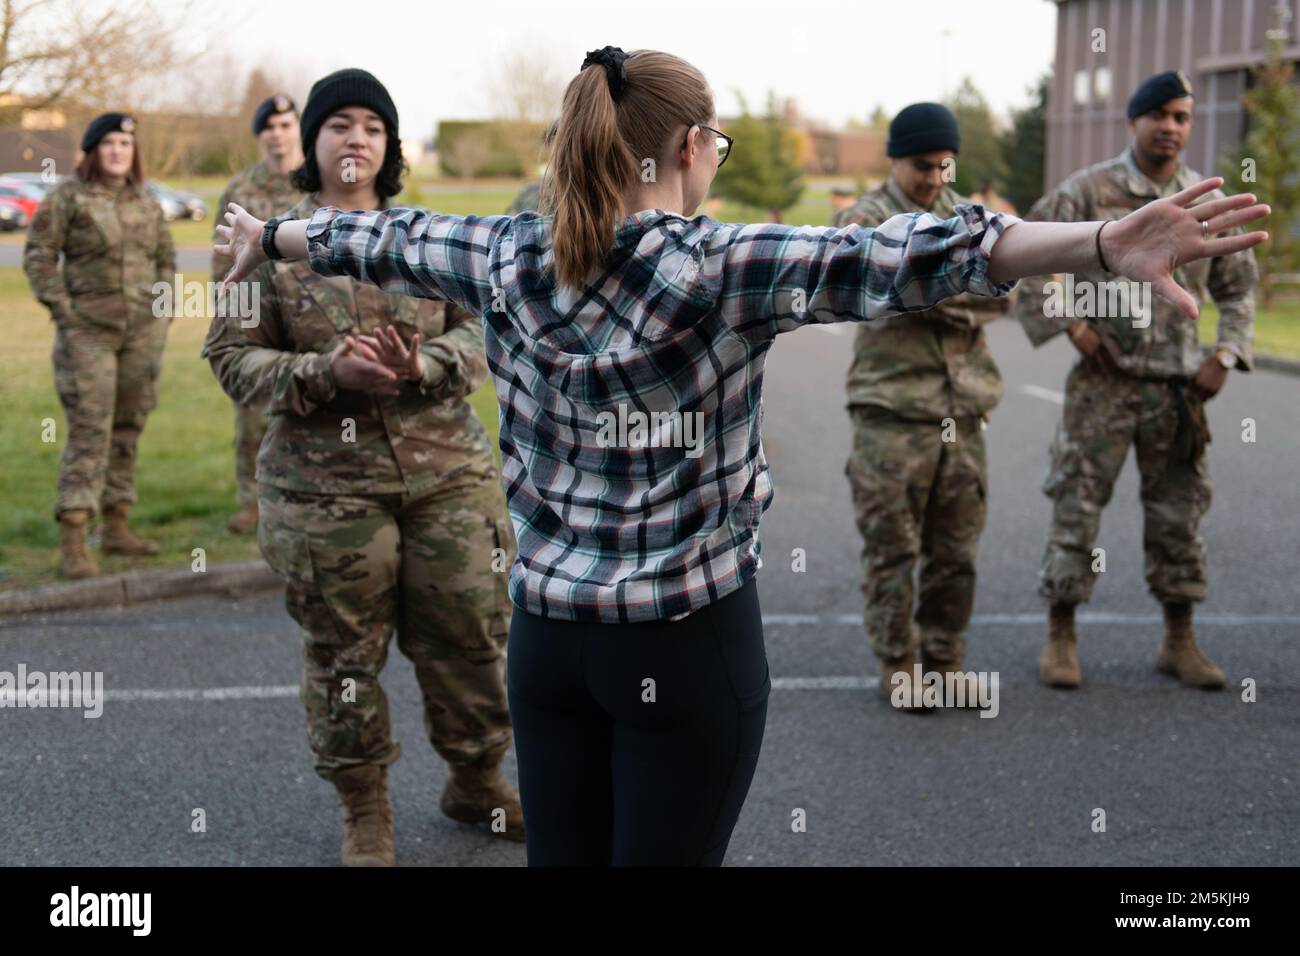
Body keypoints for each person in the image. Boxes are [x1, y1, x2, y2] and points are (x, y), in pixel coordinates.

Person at [216, 48, 1268, 866]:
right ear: (684, 149)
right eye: (711, 143)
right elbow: (903, 254)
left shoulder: (502, 251)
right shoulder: (722, 264)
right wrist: (1095, 242)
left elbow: (374, 238)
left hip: (544, 646)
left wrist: (266, 240)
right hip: (682, 645)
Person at [202, 68, 521, 866]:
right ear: (311, 143)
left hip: (446, 474)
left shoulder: (429, 236)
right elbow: (230, 356)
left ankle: (477, 781)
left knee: (473, 637)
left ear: (391, 145)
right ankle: (365, 809)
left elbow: (481, 335)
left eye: (373, 127)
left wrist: (423, 369)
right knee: (343, 655)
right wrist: (321, 375)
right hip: (324, 493)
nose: (357, 138)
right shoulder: (267, 245)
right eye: (339, 123)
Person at [1014, 70, 1259, 691]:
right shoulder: (1087, 192)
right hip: (1104, 386)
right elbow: (1027, 261)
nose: (1172, 128)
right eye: (1161, 116)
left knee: (1180, 514)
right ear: (1135, 121)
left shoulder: (1202, 201)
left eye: (1183, 117)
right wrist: (1073, 326)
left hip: (1178, 392)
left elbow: (1240, 289)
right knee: (1077, 506)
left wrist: (1226, 354)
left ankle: (1179, 638)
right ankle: (1061, 633)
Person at [834, 103, 1009, 706]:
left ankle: (944, 657)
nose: (935, 178)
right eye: (921, 166)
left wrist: (936, 289)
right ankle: (898, 661)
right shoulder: (865, 219)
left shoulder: (966, 218)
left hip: (963, 412)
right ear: (893, 159)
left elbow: (1005, 296)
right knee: (893, 546)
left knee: (956, 547)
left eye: (943, 165)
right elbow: (883, 289)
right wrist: (958, 284)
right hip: (892, 414)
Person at [24, 113, 175, 579]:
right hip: (88, 334)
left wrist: (162, 312)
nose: (117, 151)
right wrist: (64, 310)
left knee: (129, 427)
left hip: (140, 336)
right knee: (91, 429)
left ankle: (116, 526)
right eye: (107, 143)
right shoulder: (67, 197)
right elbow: (39, 255)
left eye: (124, 144)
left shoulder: (146, 202)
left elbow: (166, 259)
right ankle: (74, 536)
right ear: (92, 151)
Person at [210, 94, 307, 534]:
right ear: (260, 135)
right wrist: (229, 312)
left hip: (311, 309)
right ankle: (253, 503)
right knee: (252, 413)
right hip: (255, 313)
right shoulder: (240, 190)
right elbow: (223, 255)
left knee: (313, 402)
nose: (278, 133)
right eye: (269, 127)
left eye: (285, 124)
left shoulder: (315, 183)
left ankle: (308, 495)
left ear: (297, 129)